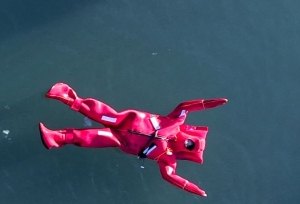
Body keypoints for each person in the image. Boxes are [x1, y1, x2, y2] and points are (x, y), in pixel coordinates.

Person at [39, 83, 227, 197]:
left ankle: (56, 137)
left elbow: (170, 176)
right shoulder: (175, 122)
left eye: (190, 147)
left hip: (121, 140)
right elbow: (184, 107)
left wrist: (193, 188)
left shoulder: (167, 157)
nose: (188, 143)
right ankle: (66, 96)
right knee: (99, 111)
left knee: (92, 137)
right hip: (124, 119)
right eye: (191, 142)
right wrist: (210, 103)